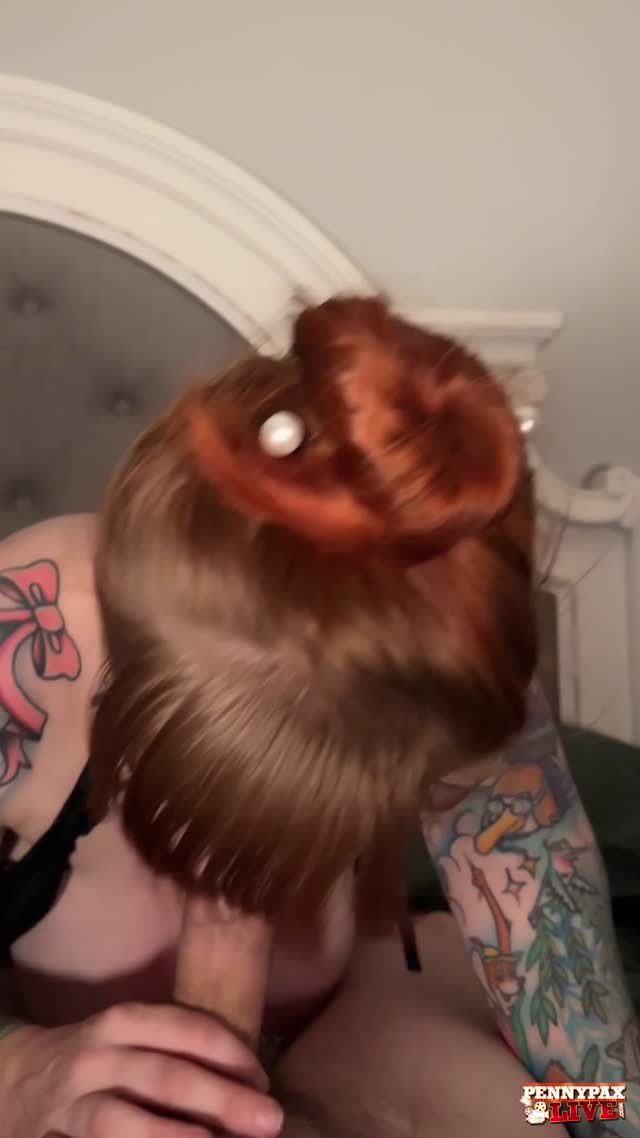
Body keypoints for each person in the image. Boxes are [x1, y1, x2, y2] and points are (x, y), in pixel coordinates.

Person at [0, 296, 636, 1138]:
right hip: (50, 1057)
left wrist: (604, 1111)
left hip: (358, 1015)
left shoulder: (433, 637)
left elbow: (591, 1061)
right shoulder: (28, 639)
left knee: (535, 1116)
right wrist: (20, 1074)